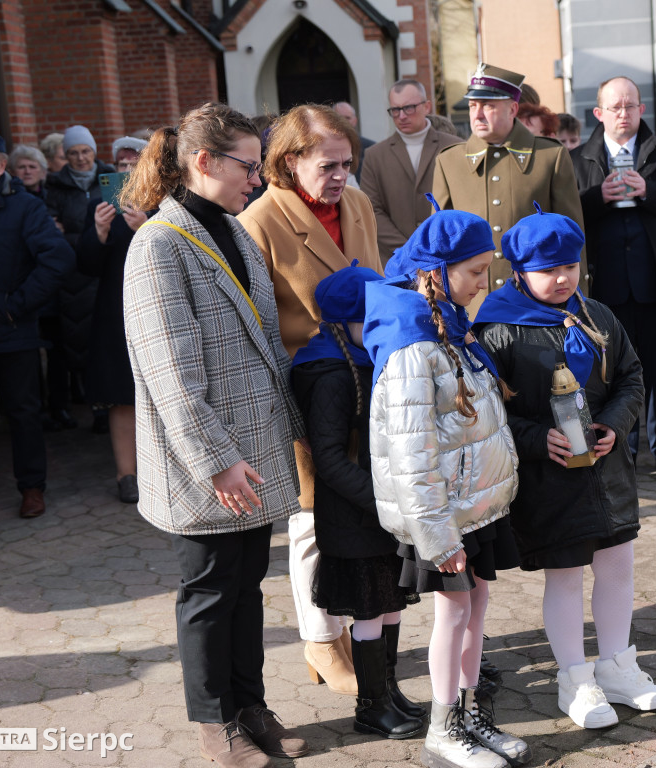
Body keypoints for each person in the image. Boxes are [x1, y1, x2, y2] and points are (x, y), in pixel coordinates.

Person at [120, 103, 309, 767]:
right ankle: (214, 725)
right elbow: (170, 373)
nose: (255, 179)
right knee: (207, 594)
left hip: (252, 453)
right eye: (247, 166)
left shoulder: (230, 228)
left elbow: (262, 343)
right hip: (207, 465)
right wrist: (217, 462)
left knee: (247, 586)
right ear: (204, 162)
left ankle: (251, 704)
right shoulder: (159, 245)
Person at [475, 211, 656, 730]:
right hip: (549, 481)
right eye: (548, 271)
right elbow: (487, 414)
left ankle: (617, 666)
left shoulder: (598, 315)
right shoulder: (496, 329)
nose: (563, 279)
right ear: (518, 272)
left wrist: (614, 423)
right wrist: (540, 440)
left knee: (617, 567)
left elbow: (631, 375)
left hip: (608, 474)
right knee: (564, 578)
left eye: (570, 266)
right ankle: (574, 677)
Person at [365, 211, 529, 768]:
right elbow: (412, 456)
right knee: (453, 614)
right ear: (437, 273)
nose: (484, 282)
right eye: (476, 271)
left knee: (476, 607)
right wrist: (437, 535)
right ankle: (442, 729)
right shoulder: (414, 344)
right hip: (442, 518)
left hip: (473, 509)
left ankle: (469, 715)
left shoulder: (449, 325)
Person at [238, 104, 382, 698]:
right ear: (290, 159)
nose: (341, 174)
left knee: (356, 514)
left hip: (364, 380)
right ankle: (321, 641)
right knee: (311, 520)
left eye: (348, 162)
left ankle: (355, 628)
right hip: (303, 388)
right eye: (329, 164)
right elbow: (257, 322)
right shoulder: (259, 220)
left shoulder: (358, 203)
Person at [290, 264, 424, 740]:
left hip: (380, 513)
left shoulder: (365, 359)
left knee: (390, 604)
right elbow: (328, 458)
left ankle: (387, 691)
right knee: (368, 609)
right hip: (355, 515)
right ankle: (371, 706)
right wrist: (383, 501)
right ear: (349, 321)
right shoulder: (330, 374)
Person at [572, 76, 656, 480]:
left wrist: (649, 190)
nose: (623, 114)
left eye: (630, 105)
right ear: (599, 113)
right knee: (612, 378)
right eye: (615, 107)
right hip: (605, 290)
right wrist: (600, 198)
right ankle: (622, 452)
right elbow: (568, 216)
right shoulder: (579, 160)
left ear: (642, 109)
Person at [0, 125, 74, 520]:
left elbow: (58, 259)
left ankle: (31, 487)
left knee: (23, 413)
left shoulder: (23, 206)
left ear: (0, 164)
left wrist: (16, 307)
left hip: (12, 333)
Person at [432, 63, 586, 306]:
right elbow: (439, 246)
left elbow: (571, 238)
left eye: (488, 106)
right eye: (473, 106)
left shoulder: (549, 156)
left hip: (535, 304)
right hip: (471, 306)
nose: (478, 114)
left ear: (513, 108)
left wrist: (577, 302)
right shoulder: (449, 161)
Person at [76, 136, 149, 504]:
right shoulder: (100, 205)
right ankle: (127, 475)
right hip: (114, 311)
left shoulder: (164, 205)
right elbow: (86, 266)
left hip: (154, 310)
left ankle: (160, 470)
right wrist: (100, 232)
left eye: (134, 163)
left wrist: (145, 227)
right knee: (122, 396)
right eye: (121, 165)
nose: (127, 171)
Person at [45, 125, 116, 431]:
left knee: (108, 341)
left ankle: (110, 406)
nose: (80, 158)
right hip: (75, 274)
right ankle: (97, 407)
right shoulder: (57, 187)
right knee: (80, 342)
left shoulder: (110, 179)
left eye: (85, 151)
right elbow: (52, 229)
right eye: (73, 153)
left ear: (93, 151)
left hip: (106, 267)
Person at [361, 79, 461, 262]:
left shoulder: (455, 147)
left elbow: (463, 202)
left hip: (448, 254)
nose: (402, 116)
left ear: (427, 106)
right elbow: (371, 210)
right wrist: (409, 249)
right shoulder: (374, 155)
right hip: (396, 260)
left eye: (409, 108)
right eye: (395, 110)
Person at [335, 100, 375, 184]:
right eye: (339, 118)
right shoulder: (323, 148)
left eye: (347, 118)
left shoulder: (371, 149)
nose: (343, 122)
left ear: (355, 121)